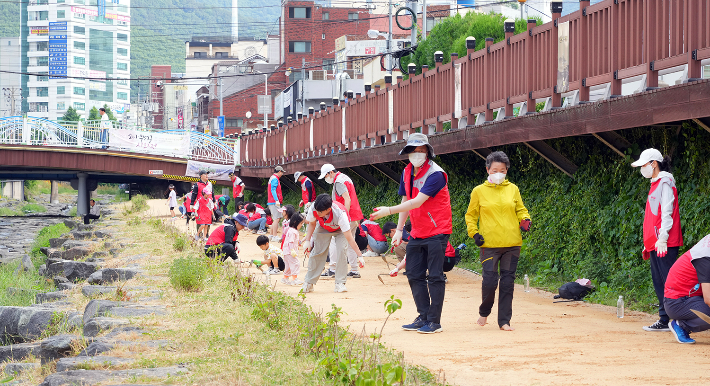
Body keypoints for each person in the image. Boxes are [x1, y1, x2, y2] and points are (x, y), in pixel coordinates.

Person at [370, 133, 452, 334]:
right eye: (413, 151)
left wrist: (387, 211)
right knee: (414, 274)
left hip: (437, 231)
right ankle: (423, 316)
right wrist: (399, 229)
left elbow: (417, 202)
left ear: (428, 152)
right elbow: (406, 200)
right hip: (417, 231)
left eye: (421, 150)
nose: (417, 154)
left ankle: (434, 322)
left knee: (434, 276)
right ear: (407, 153)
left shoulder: (436, 174)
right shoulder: (407, 172)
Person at [465, 151, 530, 332]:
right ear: (488, 170)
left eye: (502, 170)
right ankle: (484, 311)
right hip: (489, 245)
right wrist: (474, 234)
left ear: (506, 170)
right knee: (490, 282)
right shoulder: (479, 191)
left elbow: (521, 209)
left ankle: (504, 321)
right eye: (495, 170)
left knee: (508, 283)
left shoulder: (513, 189)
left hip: (512, 244)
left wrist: (525, 220)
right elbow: (471, 215)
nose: (498, 173)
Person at [631, 148, 684, 332]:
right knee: (659, 281)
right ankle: (664, 319)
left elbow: (667, 212)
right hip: (655, 243)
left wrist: (662, 238)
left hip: (665, 242)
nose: (642, 169)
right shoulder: (655, 183)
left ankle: (678, 320)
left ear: (654, 163)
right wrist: (650, 242)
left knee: (669, 281)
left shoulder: (665, 182)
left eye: (644, 165)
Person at [301, 194, 365, 293]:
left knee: (341, 252)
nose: (317, 213)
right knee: (317, 252)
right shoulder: (314, 208)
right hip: (323, 227)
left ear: (328, 209)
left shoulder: (340, 214)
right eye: (317, 210)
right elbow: (312, 224)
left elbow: (349, 238)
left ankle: (340, 283)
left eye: (320, 212)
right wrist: (308, 240)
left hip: (340, 230)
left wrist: (359, 255)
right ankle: (309, 282)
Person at [320, 163, 365, 278]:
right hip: (354, 215)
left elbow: (347, 199)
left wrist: (344, 215)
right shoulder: (344, 177)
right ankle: (354, 269)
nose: (326, 179)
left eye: (325, 176)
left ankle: (333, 269)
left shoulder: (339, 181)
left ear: (330, 172)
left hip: (347, 215)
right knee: (351, 242)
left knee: (334, 241)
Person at [664, 234, 710, 344]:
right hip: (678, 301)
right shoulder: (704, 257)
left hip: (693, 296)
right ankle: (681, 326)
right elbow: (708, 298)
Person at [282, 213, 305, 286]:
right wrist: (292, 250)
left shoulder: (291, 230)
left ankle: (285, 278)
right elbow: (290, 241)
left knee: (288, 265)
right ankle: (294, 279)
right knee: (296, 263)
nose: (301, 225)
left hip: (287, 251)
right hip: (290, 252)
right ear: (295, 222)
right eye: (301, 223)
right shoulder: (293, 231)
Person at [267, 166, 286, 241]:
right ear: (279, 171)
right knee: (277, 218)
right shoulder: (275, 179)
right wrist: (276, 200)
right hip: (274, 201)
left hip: (272, 201)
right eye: (282, 172)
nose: (282, 174)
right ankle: (275, 236)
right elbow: (273, 190)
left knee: (275, 218)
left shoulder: (272, 178)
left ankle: (271, 235)